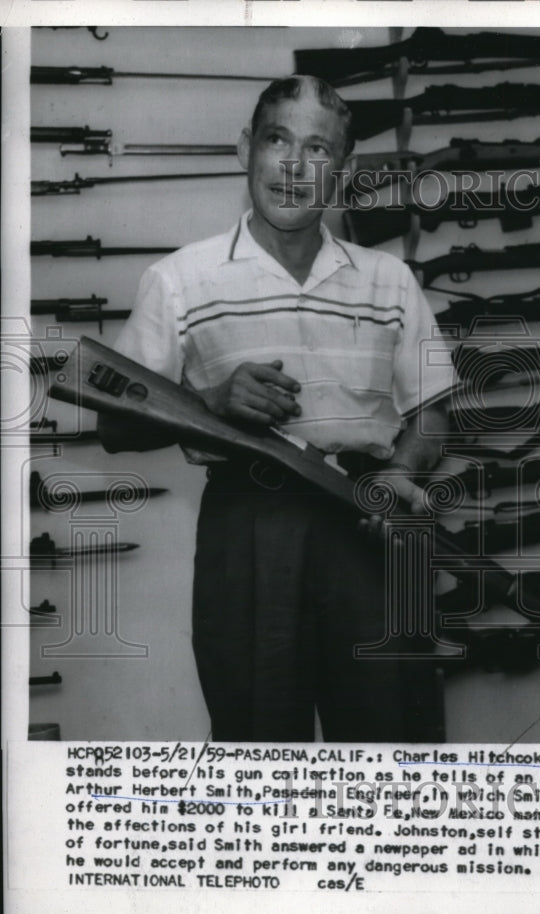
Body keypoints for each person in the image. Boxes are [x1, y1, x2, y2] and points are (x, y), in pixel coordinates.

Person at [97, 75, 456, 743]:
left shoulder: (390, 280)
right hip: (248, 527)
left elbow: (433, 414)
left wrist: (400, 473)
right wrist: (210, 402)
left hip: (369, 527)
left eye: (317, 149)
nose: (293, 166)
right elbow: (113, 424)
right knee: (259, 753)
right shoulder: (179, 280)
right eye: (277, 141)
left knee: (394, 753)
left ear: (343, 168)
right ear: (246, 149)